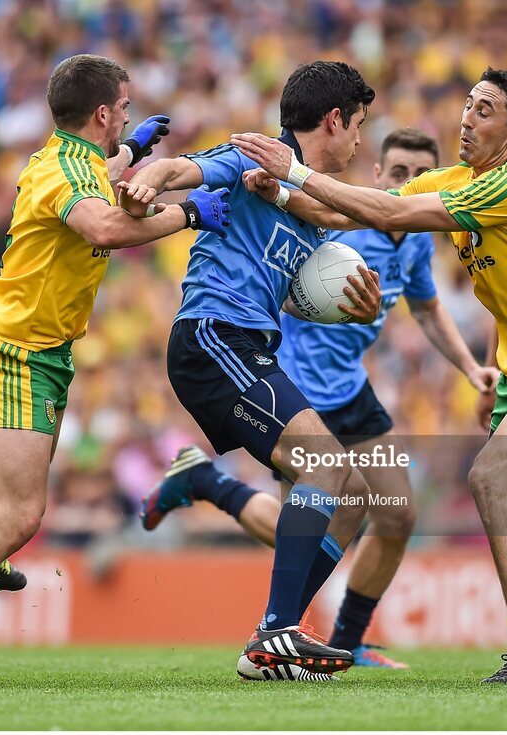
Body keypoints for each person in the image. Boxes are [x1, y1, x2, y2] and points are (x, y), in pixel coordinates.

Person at [232, 68, 507, 684]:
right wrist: (278, 193)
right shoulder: (458, 180)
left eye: (485, 110)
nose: (467, 117)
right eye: (468, 105)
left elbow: (382, 206)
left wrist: (294, 172)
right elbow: (367, 218)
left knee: (489, 479)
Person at [0, 53, 232, 685]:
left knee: (4, 510)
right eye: (124, 108)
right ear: (100, 112)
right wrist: (192, 213)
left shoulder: (72, 158)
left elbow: (99, 178)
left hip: (38, 348)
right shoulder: (66, 170)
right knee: (20, 516)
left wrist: (134, 153)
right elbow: (106, 225)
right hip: (19, 353)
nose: (129, 115)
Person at [139, 128, 499, 670]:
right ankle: (223, 514)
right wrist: (275, 190)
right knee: (313, 513)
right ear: (377, 176)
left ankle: (339, 639)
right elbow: (289, 251)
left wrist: (472, 368)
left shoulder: (418, 238)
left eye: (420, 176)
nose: (408, 183)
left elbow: (425, 308)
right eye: (398, 173)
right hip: (298, 381)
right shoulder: (342, 225)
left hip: (351, 391)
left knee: (395, 512)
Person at [120, 61, 383, 682]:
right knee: (326, 465)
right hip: (214, 336)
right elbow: (184, 169)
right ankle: (276, 634)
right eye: (359, 127)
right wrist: (148, 177)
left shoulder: (301, 194)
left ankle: (276, 631)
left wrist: (344, 311)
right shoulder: (257, 155)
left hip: (248, 343)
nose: (358, 143)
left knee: (353, 497)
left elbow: (286, 284)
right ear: (334, 119)